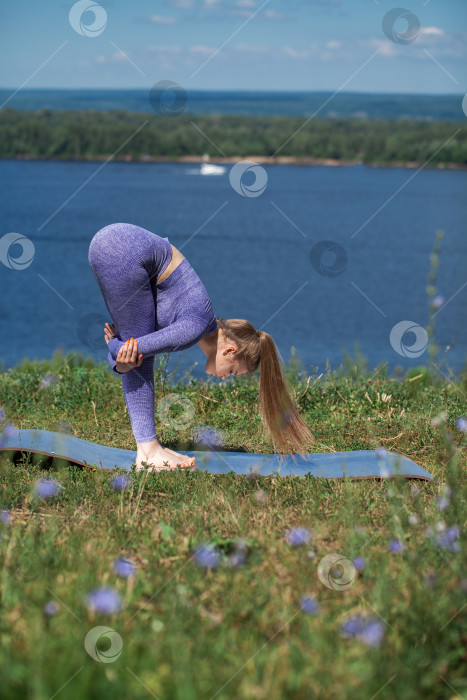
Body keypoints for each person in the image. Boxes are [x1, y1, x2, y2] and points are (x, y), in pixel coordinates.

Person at [88, 223, 314, 472]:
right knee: (141, 358)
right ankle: (148, 452)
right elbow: (130, 351)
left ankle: (148, 449)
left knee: (137, 357)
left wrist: (120, 356)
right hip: (123, 251)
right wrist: (115, 347)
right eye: (233, 372)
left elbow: (127, 355)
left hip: (114, 243)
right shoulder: (195, 326)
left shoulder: (200, 318)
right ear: (230, 351)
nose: (225, 378)